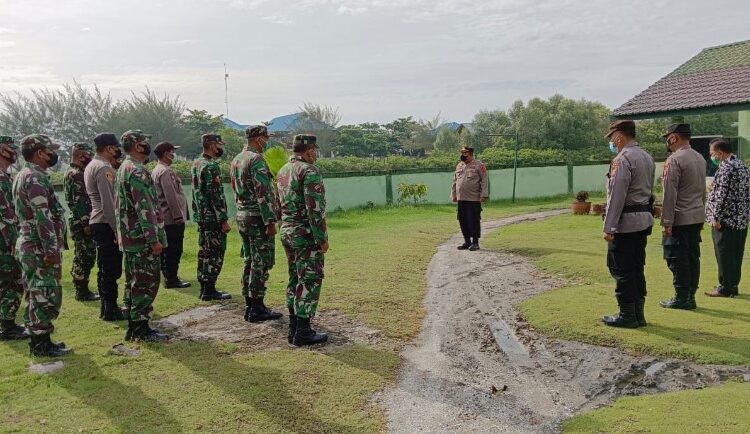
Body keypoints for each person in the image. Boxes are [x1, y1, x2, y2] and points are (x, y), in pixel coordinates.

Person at [13, 134, 69, 356]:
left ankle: (41, 340)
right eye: (49, 150)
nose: (53, 154)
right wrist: (50, 249)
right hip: (38, 245)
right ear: (39, 153)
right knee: (44, 293)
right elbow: (42, 216)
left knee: (37, 292)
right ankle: (41, 344)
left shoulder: (25, 174)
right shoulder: (34, 177)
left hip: (31, 243)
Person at [115, 130, 169, 342]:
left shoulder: (123, 168)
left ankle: (133, 324)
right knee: (145, 282)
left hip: (130, 236)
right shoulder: (137, 171)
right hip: (141, 238)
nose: (148, 145)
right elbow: (144, 208)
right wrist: (153, 239)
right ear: (137, 145)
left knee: (133, 281)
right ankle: (140, 328)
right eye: (145, 142)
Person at [600, 120, 655, 328]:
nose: (612, 143)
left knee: (621, 269)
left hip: (625, 223)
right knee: (636, 268)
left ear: (620, 137)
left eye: (612, 138)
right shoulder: (647, 157)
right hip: (642, 220)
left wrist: (609, 226)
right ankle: (638, 314)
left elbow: (617, 195)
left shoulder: (622, 159)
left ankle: (627, 315)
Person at [278, 134, 329, 346]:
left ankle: (293, 327)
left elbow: (277, 203)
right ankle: (303, 331)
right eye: (314, 150)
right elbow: (314, 210)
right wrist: (322, 238)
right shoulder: (309, 171)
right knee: (309, 279)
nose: (315, 154)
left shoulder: (283, 170)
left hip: (287, 231)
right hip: (305, 235)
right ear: (308, 150)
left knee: (294, 277)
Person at [230, 125, 282, 322]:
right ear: (259, 138)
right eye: (266, 138)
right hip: (257, 217)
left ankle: (250, 304)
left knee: (249, 260)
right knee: (260, 261)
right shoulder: (256, 159)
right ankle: (257, 307)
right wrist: (270, 220)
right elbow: (263, 193)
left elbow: (235, 189)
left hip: (242, 215)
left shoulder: (237, 159)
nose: (267, 142)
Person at [659, 124, 706, 310]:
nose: (667, 142)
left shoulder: (674, 159)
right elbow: (702, 190)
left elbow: (670, 193)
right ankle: (690, 295)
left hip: (680, 217)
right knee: (692, 257)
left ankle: (681, 297)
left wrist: (666, 222)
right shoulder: (699, 157)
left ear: (674, 138)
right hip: (696, 215)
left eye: (667, 138)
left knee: (676, 257)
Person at [85, 133, 126, 320]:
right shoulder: (103, 168)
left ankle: (107, 307)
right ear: (109, 148)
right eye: (116, 148)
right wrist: (117, 229)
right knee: (111, 268)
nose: (118, 151)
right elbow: (109, 203)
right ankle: (110, 309)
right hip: (105, 222)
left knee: (105, 268)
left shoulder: (92, 165)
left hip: (99, 222)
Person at [704, 138, 750, 298]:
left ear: (720, 152)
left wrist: (715, 216)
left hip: (726, 220)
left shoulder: (726, 168)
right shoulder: (742, 165)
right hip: (741, 219)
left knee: (723, 254)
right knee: (736, 254)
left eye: (712, 153)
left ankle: (725, 287)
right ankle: (733, 285)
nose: (712, 156)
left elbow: (721, 195)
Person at [191, 133, 232, 301]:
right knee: (214, 252)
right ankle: (209, 289)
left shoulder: (196, 163)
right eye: (218, 144)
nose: (220, 147)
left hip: (202, 216)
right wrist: (223, 219)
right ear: (211, 145)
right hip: (212, 218)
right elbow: (215, 195)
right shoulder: (210, 166)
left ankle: (205, 286)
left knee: (205, 251)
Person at [63, 142, 100, 302]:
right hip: (82, 221)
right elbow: (79, 201)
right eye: (88, 155)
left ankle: (82, 288)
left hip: (79, 220)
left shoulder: (73, 172)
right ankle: (82, 291)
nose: (91, 158)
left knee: (84, 255)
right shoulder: (76, 174)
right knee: (85, 256)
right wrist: (86, 223)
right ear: (80, 156)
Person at [152, 141, 190, 289]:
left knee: (167, 250)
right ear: (166, 154)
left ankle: (168, 276)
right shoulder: (165, 171)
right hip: (171, 218)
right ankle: (171, 279)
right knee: (174, 249)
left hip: (165, 217)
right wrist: (178, 216)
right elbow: (171, 196)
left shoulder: (158, 170)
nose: (174, 154)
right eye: (172, 152)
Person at [0, 135, 26, 340]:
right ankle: (7, 326)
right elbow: (6, 215)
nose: (14, 152)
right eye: (10, 148)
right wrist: (12, 241)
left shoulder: (5, 176)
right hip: (5, 239)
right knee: (12, 281)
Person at [450, 145, 489, 251]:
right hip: (461, 198)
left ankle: (475, 242)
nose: (462, 155)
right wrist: (453, 194)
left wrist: (483, 194)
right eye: (462, 153)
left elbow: (484, 180)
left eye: (465, 153)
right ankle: (467, 241)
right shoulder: (459, 165)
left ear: (470, 153)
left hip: (473, 198)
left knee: (473, 220)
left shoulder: (479, 165)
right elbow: (455, 181)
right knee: (463, 220)